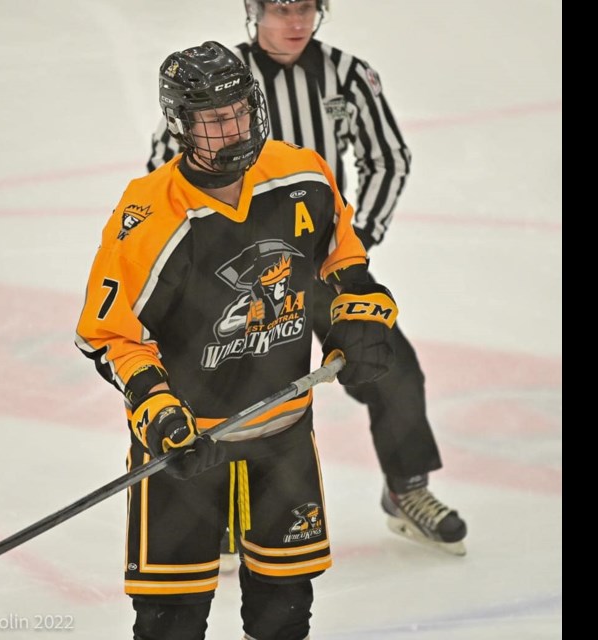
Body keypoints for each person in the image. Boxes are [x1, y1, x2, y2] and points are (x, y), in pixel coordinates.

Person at [77, 40, 400, 640]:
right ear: (180, 125)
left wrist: (359, 317)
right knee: (169, 624)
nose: (231, 128)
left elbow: (341, 258)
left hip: (283, 437)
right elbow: (110, 335)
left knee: (284, 620)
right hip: (186, 449)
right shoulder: (149, 215)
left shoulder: (301, 173)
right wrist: (158, 410)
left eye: (239, 111)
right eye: (212, 119)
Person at [148, 0, 467, 557]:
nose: (295, 23)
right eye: (281, 8)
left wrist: (355, 240)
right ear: (254, 9)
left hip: (317, 262)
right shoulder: (218, 83)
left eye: (307, 9)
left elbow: (388, 158)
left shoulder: (346, 75)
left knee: (389, 364)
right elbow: (162, 166)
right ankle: (221, 510)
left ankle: (408, 489)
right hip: (234, 275)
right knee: (224, 384)